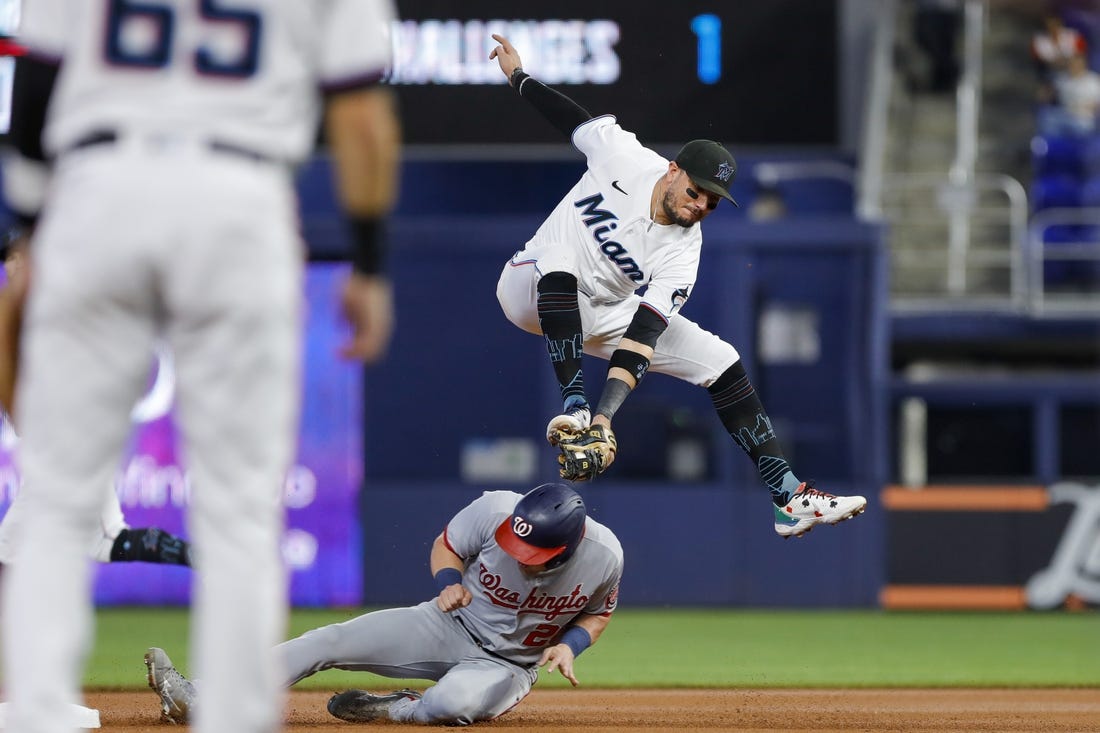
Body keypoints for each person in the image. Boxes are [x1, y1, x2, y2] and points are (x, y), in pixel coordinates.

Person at [0, 2, 401, 733]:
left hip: (96, 192)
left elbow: (34, 85)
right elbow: (362, 115)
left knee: (55, 497)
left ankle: (34, 714)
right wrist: (370, 264)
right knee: (241, 511)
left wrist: (29, 231)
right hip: (238, 197)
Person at [489, 34, 867, 539]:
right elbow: (570, 119)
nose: (701, 206)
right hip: (528, 285)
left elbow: (641, 337)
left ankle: (788, 496)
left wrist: (606, 419)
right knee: (561, 258)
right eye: (696, 191)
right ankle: (572, 406)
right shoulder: (623, 156)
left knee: (721, 359)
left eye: (713, 201)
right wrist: (519, 77)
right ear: (672, 171)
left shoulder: (684, 251)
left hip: (602, 312)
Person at [143, 483, 623, 726]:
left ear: (568, 546)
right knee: (330, 640)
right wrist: (449, 581)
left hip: (507, 665)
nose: (521, 555)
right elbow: (447, 545)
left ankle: (395, 710)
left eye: (534, 551)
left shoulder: (604, 557)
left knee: (450, 705)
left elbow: (598, 612)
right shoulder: (495, 509)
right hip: (448, 623)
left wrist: (572, 645)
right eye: (518, 543)